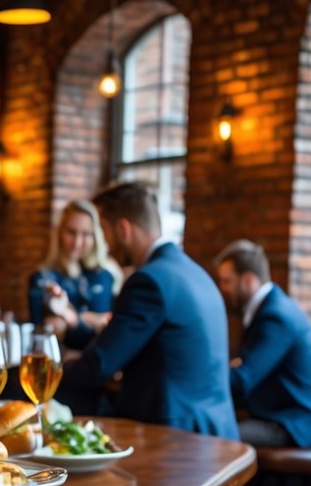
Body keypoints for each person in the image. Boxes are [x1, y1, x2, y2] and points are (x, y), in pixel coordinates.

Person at [60, 182, 239, 438]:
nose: (105, 245)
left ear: (123, 229)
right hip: (216, 432)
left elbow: (100, 365)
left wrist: (48, 373)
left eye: (104, 231)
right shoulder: (196, 272)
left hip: (176, 440)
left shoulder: (148, 281)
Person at [214, 239, 311, 447]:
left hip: (295, 424)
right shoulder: (269, 309)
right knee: (211, 427)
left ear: (249, 280)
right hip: (275, 416)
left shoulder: (276, 316)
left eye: (227, 281)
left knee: (215, 436)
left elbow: (243, 379)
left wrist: (203, 374)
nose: (222, 288)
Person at [28, 199, 121, 350]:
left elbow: (108, 331)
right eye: (71, 232)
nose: (78, 242)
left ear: (95, 236)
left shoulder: (105, 275)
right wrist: (92, 320)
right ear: (59, 233)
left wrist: (71, 318)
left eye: (86, 234)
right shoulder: (43, 277)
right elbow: (43, 334)